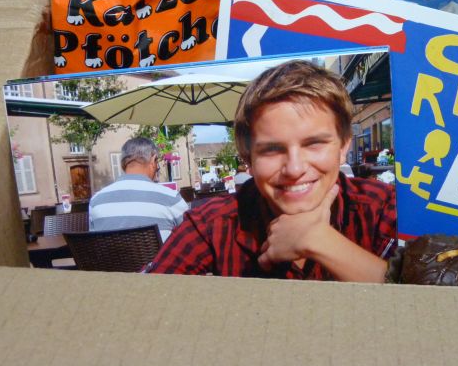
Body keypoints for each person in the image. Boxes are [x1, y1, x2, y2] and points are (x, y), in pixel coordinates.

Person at [146, 60, 397, 282]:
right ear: (248, 158)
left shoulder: (382, 208)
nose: (295, 169)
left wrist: (320, 241)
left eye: (314, 144)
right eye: (272, 150)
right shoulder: (210, 226)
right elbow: (143, 303)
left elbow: (419, 301)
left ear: (343, 147)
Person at [89, 137, 189, 242]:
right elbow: (192, 238)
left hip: (110, 253)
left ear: (123, 164)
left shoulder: (96, 201)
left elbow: (93, 244)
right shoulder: (171, 198)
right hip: (159, 253)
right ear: (153, 160)